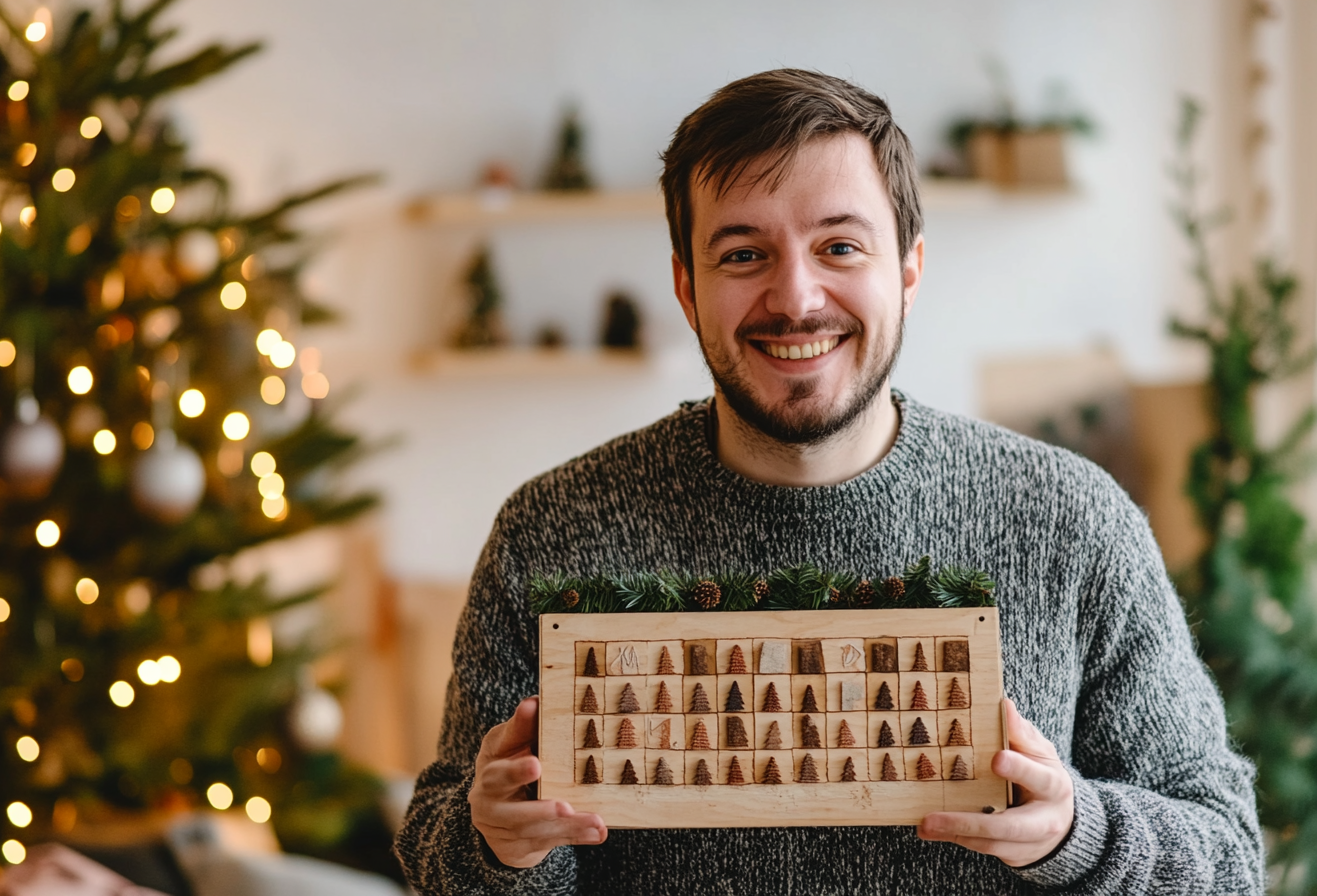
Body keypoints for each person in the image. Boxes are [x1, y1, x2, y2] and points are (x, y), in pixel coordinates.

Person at [393, 69, 1264, 894]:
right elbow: (436, 843)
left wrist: (1079, 833)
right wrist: (496, 849)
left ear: (910, 270)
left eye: (839, 245)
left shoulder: (1072, 522)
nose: (797, 298)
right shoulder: (552, 530)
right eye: (742, 255)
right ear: (686, 288)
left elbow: (1228, 859)